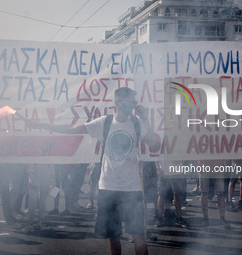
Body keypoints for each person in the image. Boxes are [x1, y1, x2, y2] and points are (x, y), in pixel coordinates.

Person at [27, 87, 160, 255]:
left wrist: (146, 120)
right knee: (113, 235)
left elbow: (155, 145)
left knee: (139, 236)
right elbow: (73, 129)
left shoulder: (137, 122)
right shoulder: (104, 122)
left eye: (134, 102)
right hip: (108, 187)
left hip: (132, 189)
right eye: (129, 102)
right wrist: (41, 125)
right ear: (117, 102)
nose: (133, 105)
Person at [199, 160, 230, 229]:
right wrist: (197, 165)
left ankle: (222, 218)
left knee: (220, 193)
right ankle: (205, 218)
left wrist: (224, 164)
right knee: (204, 193)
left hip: (218, 167)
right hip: (204, 168)